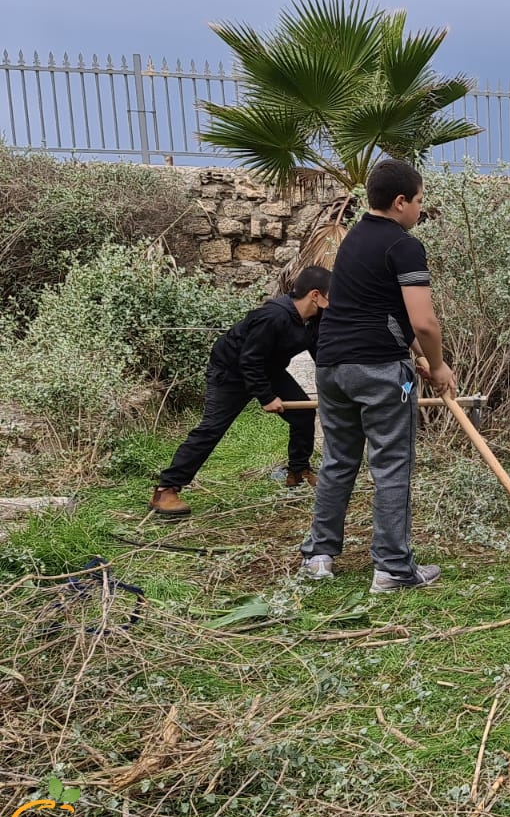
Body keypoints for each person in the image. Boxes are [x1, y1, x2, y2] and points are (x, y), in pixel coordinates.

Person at [299, 159, 457, 594]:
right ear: (400, 201)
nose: (421, 211)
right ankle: (392, 568)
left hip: (332, 368)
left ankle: (319, 556)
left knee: (338, 459)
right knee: (391, 463)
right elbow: (423, 321)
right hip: (384, 374)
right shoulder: (403, 245)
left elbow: (367, 310)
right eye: (420, 201)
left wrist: (414, 358)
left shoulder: (353, 239)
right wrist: (439, 365)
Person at [147, 267, 331, 517]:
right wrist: (266, 397)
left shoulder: (313, 320)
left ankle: (297, 472)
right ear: (315, 294)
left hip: (269, 369)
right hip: (230, 373)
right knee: (212, 429)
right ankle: (166, 490)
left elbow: (321, 354)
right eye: (332, 295)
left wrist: (340, 384)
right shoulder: (273, 317)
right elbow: (249, 360)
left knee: (302, 416)